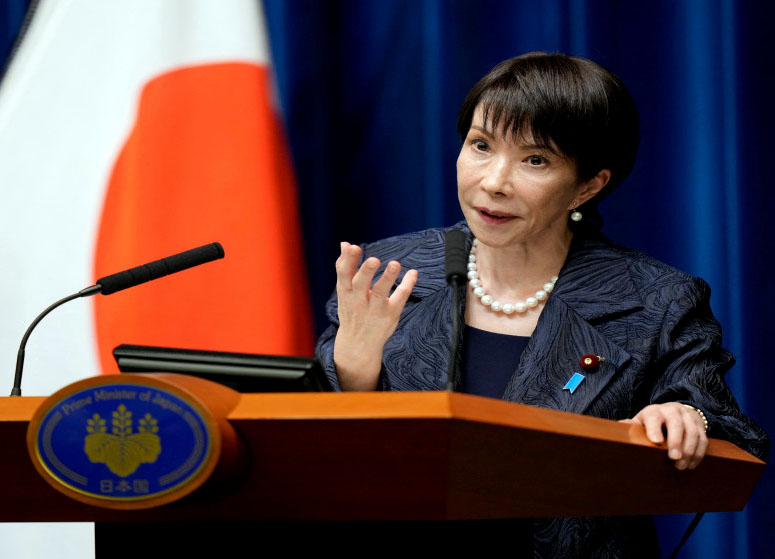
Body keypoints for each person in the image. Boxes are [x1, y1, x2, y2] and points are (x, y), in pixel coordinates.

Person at [315, 52, 769, 557]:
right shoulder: (388, 272)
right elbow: (316, 459)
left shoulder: (655, 300)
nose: (494, 182)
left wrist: (685, 417)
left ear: (588, 185)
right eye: (481, 145)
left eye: (535, 160)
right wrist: (354, 372)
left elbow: (731, 436)